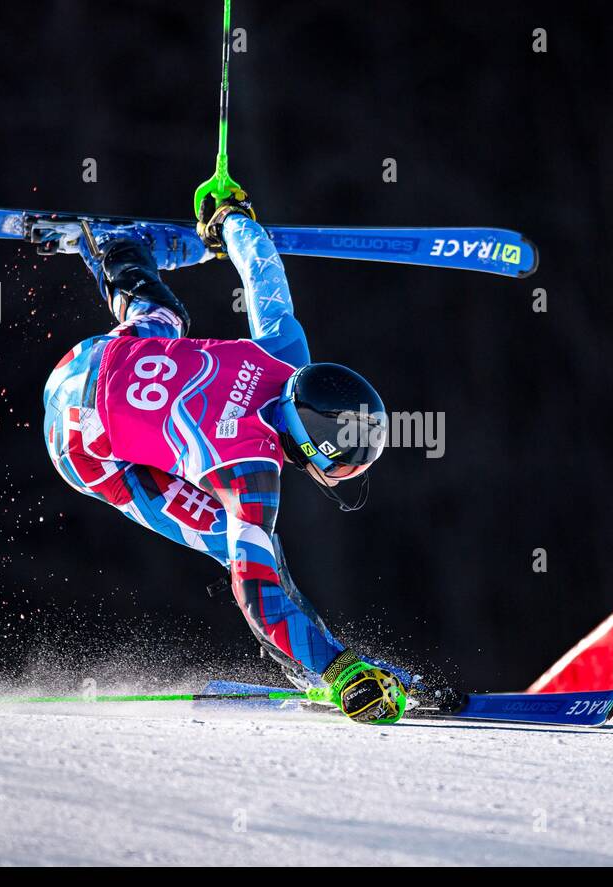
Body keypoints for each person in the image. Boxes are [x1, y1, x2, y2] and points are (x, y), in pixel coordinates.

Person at [41, 189, 407, 724]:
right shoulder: (251, 472)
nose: (346, 476)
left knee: (163, 317)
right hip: (78, 445)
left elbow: (264, 277)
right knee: (239, 547)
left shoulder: (286, 356)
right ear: (314, 449)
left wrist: (234, 221)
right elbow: (255, 591)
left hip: (83, 362)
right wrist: (341, 671)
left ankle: (118, 249)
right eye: (345, 467)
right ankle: (321, 670)